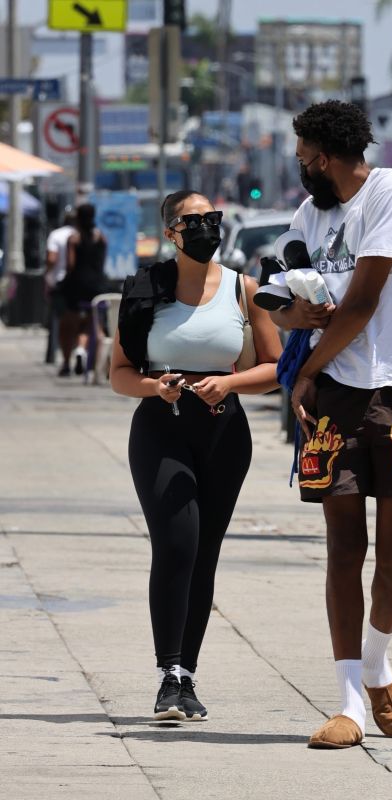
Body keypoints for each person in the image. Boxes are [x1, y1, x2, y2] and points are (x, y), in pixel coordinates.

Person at [270, 100, 392, 749]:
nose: (298, 167)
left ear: (323, 155)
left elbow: (366, 299)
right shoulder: (308, 214)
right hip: (337, 394)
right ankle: (347, 701)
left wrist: (307, 369)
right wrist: (290, 317)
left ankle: (377, 665)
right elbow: (284, 297)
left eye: (301, 155)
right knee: (343, 544)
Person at [110, 189, 281, 721]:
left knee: (205, 552)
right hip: (161, 428)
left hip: (223, 433)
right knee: (176, 543)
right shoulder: (145, 290)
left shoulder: (243, 290)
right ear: (171, 233)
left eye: (213, 218)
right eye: (194, 220)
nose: (207, 227)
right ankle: (168, 674)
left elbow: (277, 367)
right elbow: (118, 374)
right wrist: (156, 387)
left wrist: (228, 384)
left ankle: (187, 677)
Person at [57, 203, 108, 377]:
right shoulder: (101, 237)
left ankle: (65, 363)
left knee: (68, 324)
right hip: (97, 285)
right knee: (91, 322)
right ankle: (81, 350)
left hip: (76, 285)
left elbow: (70, 264)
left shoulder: (74, 238)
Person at [44, 207, 77, 365]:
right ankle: (79, 350)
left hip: (59, 282)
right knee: (79, 320)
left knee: (59, 321)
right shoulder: (83, 235)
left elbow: (51, 259)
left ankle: (58, 357)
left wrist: (48, 275)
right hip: (80, 284)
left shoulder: (56, 235)